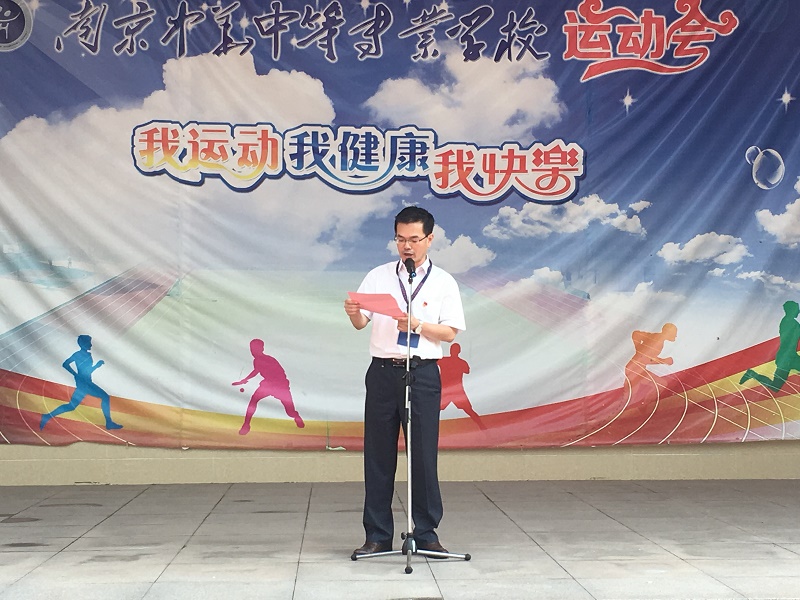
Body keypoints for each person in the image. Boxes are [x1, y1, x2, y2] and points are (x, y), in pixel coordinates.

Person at [343, 206, 465, 558]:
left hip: (422, 372)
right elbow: (361, 323)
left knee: (423, 455)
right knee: (378, 455)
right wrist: (353, 313)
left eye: (414, 239)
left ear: (430, 238)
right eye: (400, 239)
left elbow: (450, 332)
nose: (406, 246)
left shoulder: (443, 282)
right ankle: (377, 535)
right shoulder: (378, 276)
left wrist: (418, 325)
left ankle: (425, 533)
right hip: (383, 372)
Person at [40, 335, 122, 430]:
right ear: (84, 343)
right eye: (89, 342)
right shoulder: (78, 354)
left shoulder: (87, 355)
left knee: (71, 406)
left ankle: (47, 416)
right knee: (105, 397)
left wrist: (96, 366)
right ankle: (109, 422)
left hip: (85, 383)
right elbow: (65, 364)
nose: (91, 344)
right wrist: (75, 374)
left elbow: (87, 371)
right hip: (84, 384)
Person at [232, 338, 304, 434]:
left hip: (280, 386)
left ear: (262, 349)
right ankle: (246, 425)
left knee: (290, 412)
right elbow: (256, 371)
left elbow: (280, 374)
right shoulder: (256, 361)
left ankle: (296, 416)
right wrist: (244, 380)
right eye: (251, 349)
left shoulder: (270, 360)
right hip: (268, 385)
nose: (253, 351)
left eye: (255, 349)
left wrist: (280, 386)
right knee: (253, 401)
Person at [740, 300, 800, 391]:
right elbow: (790, 338)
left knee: (775, 387)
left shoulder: (791, 323)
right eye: (797, 309)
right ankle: (752, 374)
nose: (798, 312)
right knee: (775, 387)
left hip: (790, 356)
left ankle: (751, 374)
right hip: (786, 358)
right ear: (791, 310)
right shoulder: (789, 323)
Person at [439, 343, 485, 430]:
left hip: (455, 391)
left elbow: (467, 370)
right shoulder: (455, 362)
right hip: (449, 390)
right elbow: (467, 370)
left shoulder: (449, 361)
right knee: (435, 410)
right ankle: (482, 426)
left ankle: (482, 426)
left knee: (469, 410)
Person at [624, 323, 677, 390]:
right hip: (634, 370)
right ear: (669, 333)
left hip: (637, 369)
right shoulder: (656, 339)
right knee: (661, 384)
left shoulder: (658, 339)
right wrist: (664, 361)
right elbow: (636, 334)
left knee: (660, 384)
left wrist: (639, 352)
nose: (675, 336)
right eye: (674, 333)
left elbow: (648, 358)